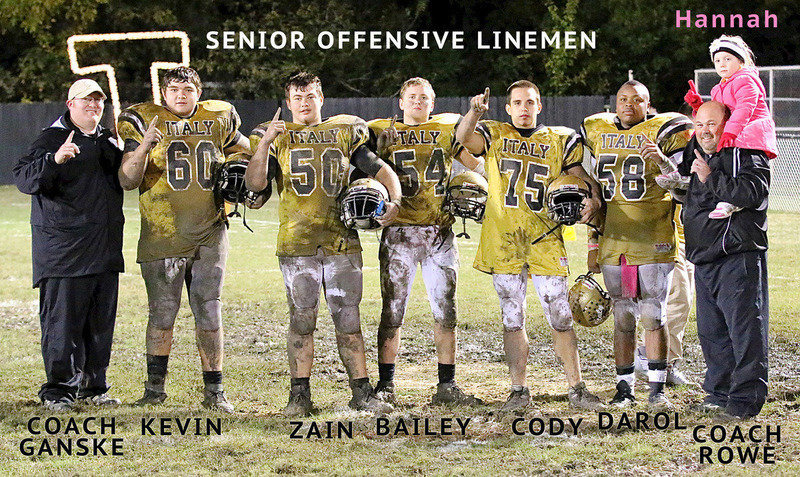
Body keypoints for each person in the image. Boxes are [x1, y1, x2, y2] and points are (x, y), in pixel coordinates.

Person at [245, 72, 402, 417]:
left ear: (321, 99)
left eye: (310, 96)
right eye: (297, 98)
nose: (304, 103)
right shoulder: (277, 136)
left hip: (341, 241)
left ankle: (361, 391)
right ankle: (299, 396)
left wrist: (395, 199)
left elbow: (379, 169)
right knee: (301, 321)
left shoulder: (345, 130)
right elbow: (255, 184)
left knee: (349, 321)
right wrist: (264, 143)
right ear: (288, 104)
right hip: (297, 244)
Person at [455, 81, 605, 412]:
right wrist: (475, 111)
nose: (524, 108)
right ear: (508, 108)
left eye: (531, 102)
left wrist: (592, 200)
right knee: (512, 316)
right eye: (518, 102)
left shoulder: (560, 140)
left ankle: (576, 388)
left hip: (545, 238)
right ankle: (518, 390)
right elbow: (465, 139)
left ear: (540, 106)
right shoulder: (495, 133)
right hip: (504, 239)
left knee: (561, 315)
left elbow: (581, 177)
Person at [117, 66, 252, 412]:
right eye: (174, 89)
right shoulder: (143, 120)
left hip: (210, 231)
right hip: (163, 235)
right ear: (164, 94)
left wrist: (239, 167)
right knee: (161, 314)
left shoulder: (218, 117)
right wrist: (145, 144)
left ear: (199, 91)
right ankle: (154, 389)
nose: (181, 94)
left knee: (209, 311)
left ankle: (215, 391)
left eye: (187, 88)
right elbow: (128, 179)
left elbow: (246, 151)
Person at [366, 77, 485, 405]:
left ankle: (446, 385)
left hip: (439, 232)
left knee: (446, 311)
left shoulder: (447, 127)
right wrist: (378, 148)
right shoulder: (382, 129)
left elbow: (475, 164)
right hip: (399, 233)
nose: (418, 101)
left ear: (432, 104)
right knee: (392, 312)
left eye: (425, 97)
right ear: (401, 102)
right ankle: (386, 384)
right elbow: (361, 169)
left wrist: (484, 180)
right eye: (412, 97)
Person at [13, 79, 124, 411]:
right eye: (85, 100)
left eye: (97, 100)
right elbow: (23, 178)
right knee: (63, 326)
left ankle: (94, 387)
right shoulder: (51, 138)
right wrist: (55, 160)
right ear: (70, 103)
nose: (92, 105)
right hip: (64, 252)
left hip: (103, 250)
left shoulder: (106, 139)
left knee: (99, 325)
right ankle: (58, 391)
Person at [581, 80, 693, 409]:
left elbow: (685, 191)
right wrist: (592, 241)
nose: (628, 105)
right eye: (622, 99)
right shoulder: (597, 130)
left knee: (653, 316)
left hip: (654, 239)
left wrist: (661, 161)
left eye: (637, 100)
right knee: (622, 317)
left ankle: (656, 390)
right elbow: (596, 194)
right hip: (615, 241)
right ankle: (624, 388)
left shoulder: (666, 131)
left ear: (649, 104)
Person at [677, 101, 770, 420]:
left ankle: (746, 399)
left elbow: (754, 192)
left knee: (744, 330)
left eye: (712, 123)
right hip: (705, 257)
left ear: (728, 124)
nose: (704, 130)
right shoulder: (704, 155)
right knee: (712, 331)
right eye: (699, 123)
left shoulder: (747, 151)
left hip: (736, 254)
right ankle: (719, 392)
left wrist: (710, 178)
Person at [678, 34, 777, 219]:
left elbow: (745, 109)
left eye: (727, 59)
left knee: (733, 160)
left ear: (740, 61)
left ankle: (732, 201)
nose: (721, 64)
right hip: (734, 131)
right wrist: (698, 106)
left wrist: (730, 132)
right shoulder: (718, 88)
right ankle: (682, 173)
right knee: (699, 135)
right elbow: (717, 112)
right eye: (717, 60)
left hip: (750, 132)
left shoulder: (746, 80)